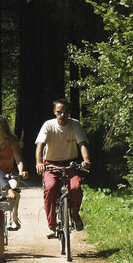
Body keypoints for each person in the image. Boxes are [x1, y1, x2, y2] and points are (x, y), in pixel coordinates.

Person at [34, 98, 92, 237]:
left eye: (66, 111)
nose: (62, 114)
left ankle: (75, 216)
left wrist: (86, 160)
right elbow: (40, 145)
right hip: (51, 163)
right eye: (59, 111)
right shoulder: (48, 125)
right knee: (50, 188)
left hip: (70, 163)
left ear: (69, 112)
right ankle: (52, 226)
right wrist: (39, 163)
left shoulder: (75, 125)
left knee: (75, 188)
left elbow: (82, 143)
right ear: (55, 112)